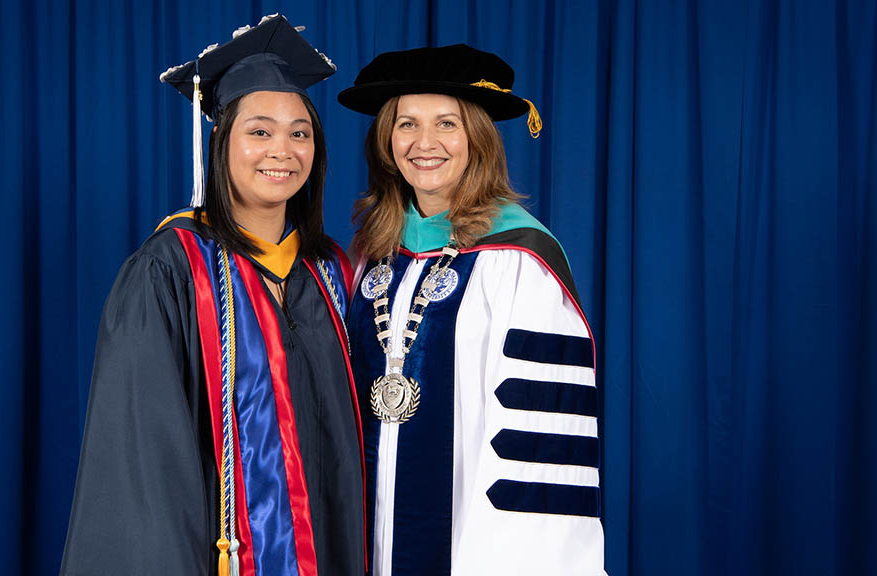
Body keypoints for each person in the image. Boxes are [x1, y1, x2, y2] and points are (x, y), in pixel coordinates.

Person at [60, 15, 364, 576]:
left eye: (300, 132)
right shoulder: (171, 270)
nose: (283, 149)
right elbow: (143, 467)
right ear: (221, 141)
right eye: (260, 131)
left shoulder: (333, 272)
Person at [338, 44, 606, 575]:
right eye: (406, 124)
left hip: (476, 547)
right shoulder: (373, 256)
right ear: (387, 141)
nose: (424, 143)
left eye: (446, 124)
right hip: (366, 538)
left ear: (477, 140)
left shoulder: (521, 260)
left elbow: (536, 451)